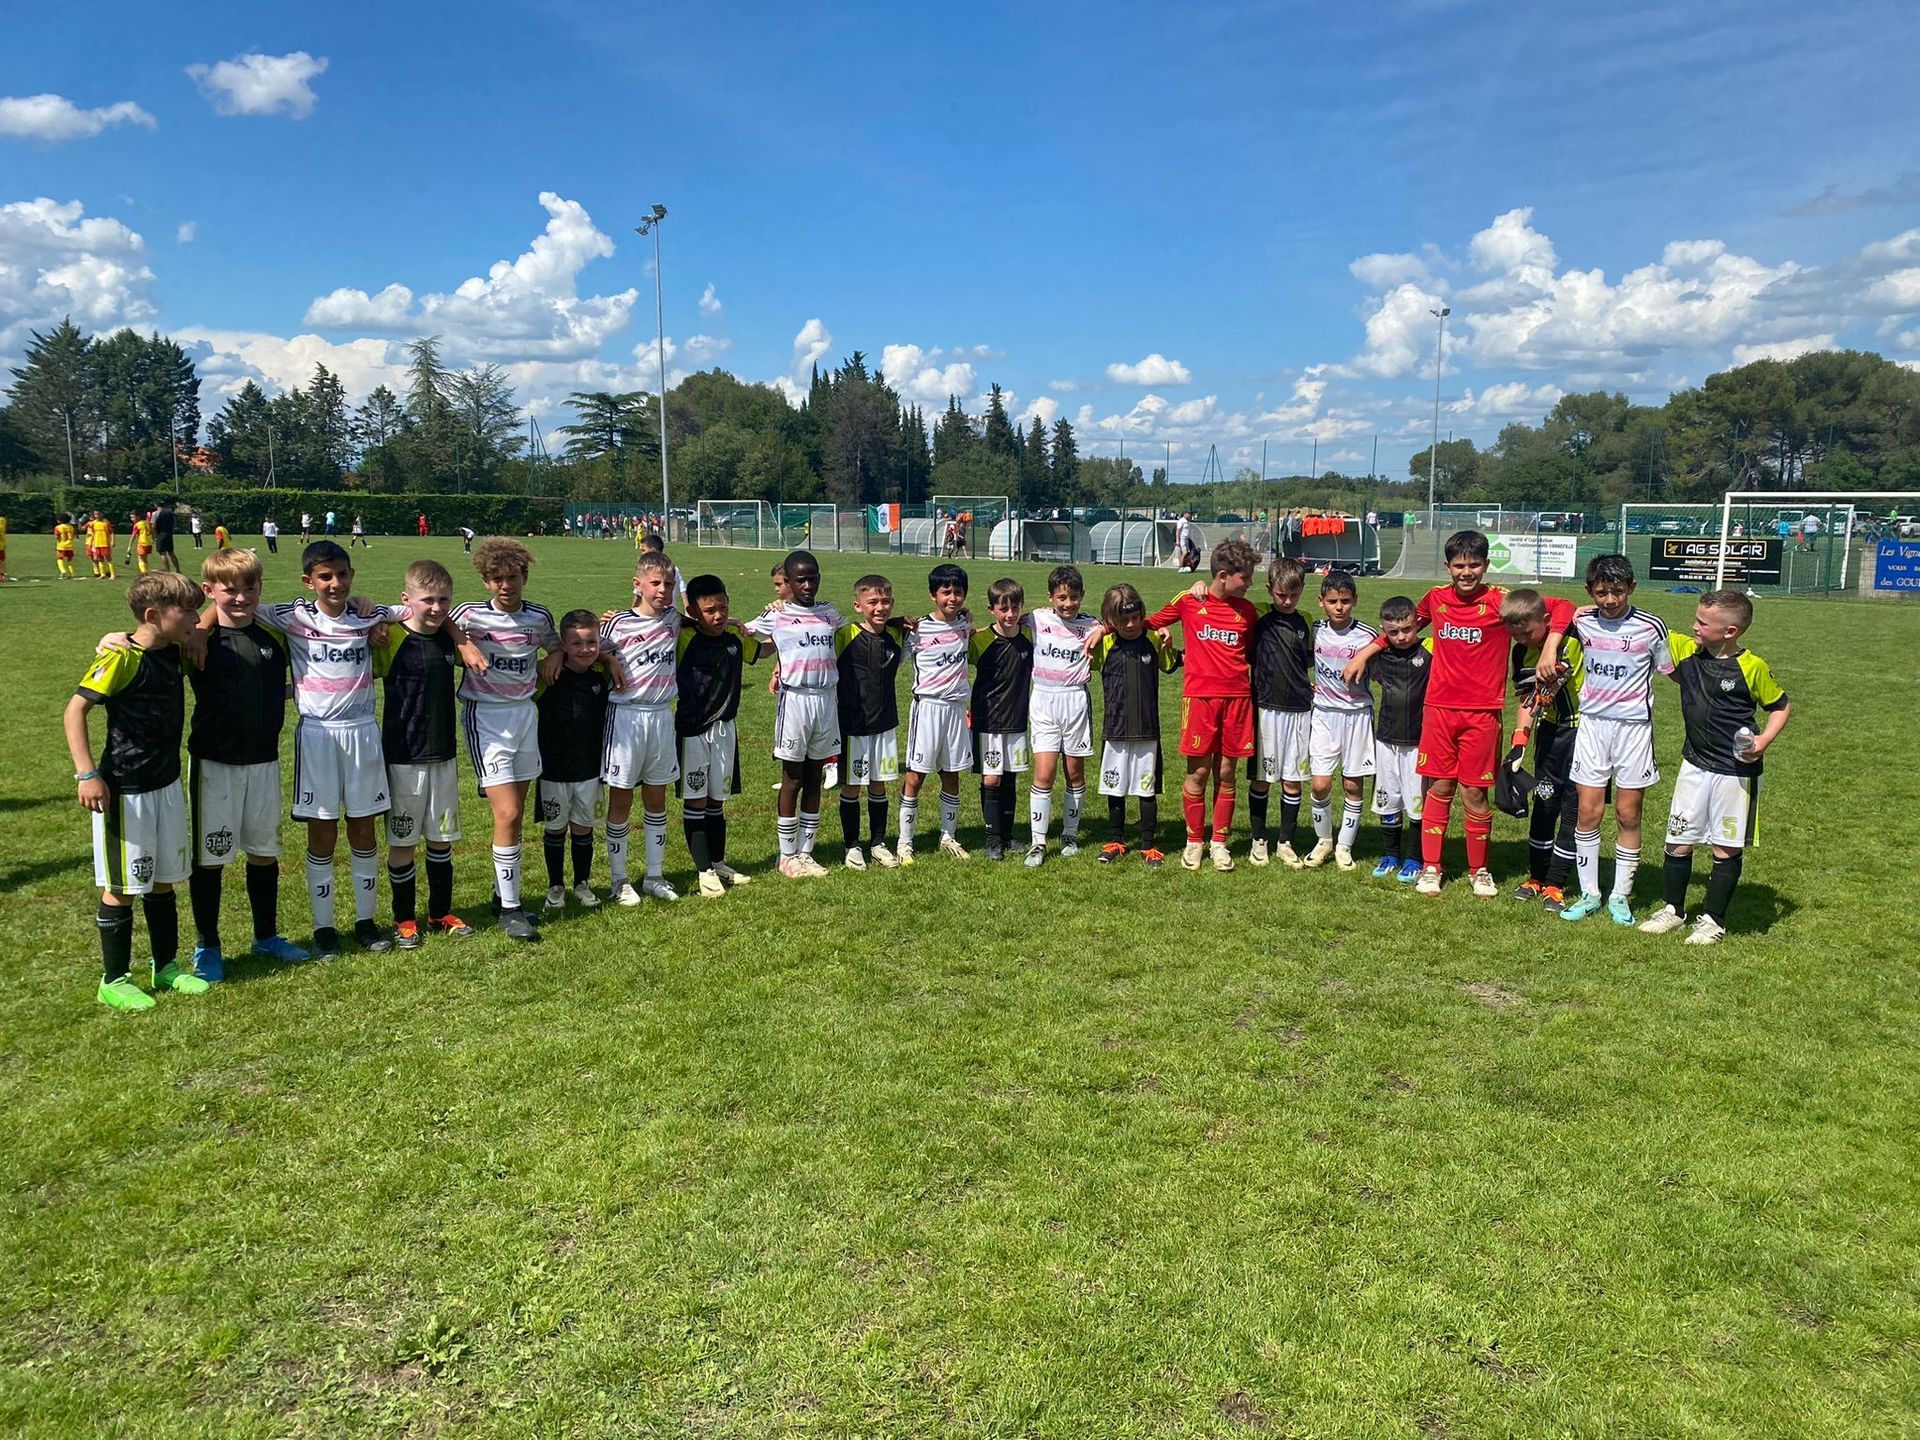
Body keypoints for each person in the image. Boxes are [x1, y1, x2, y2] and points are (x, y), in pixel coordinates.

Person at [1342, 530, 1570, 897]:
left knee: (1474, 794)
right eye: (1459, 565)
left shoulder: (1500, 600)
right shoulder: (1436, 599)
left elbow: (1562, 607)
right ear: (1447, 566)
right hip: (1439, 712)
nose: (1467, 572)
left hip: (1482, 715)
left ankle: (1480, 871)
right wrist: (1365, 653)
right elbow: (1404, 627)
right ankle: (1431, 867)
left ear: (1486, 565)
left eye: (1474, 565)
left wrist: (1550, 648)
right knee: (1439, 788)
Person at [64, 571, 211, 1010]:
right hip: (125, 788)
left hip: (166, 782)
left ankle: (165, 966)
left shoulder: (174, 650)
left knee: (163, 880)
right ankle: (114, 978)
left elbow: (211, 619)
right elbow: (75, 711)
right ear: (152, 615)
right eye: (187, 611)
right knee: (123, 886)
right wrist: (87, 774)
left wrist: (198, 630)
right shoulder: (121, 658)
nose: (195, 618)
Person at [264, 542, 407, 958]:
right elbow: (231, 606)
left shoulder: (366, 616)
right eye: (325, 576)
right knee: (322, 830)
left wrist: (374, 610)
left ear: (352, 575)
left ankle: (365, 922)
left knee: (363, 827)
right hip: (318, 735)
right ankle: (323, 928)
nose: (335, 584)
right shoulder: (294, 616)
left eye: (342, 575)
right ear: (308, 581)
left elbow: (416, 610)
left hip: (362, 732)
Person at [1638, 591, 1790, 945]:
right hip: (1694, 764)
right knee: (1678, 839)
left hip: (1735, 771)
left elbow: (1781, 706)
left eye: (1703, 623)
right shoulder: (1687, 651)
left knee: (1725, 846)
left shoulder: (1752, 667)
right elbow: (1649, 626)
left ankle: (1713, 921)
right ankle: (1673, 911)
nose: (1694, 626)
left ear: (1730, 631)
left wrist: (1763, 741)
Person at [184, 548, 308, 978]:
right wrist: (114, 638)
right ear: (209, 590)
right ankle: (207, 945)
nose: (240, 597)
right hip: (214, 764)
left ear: (260, 588)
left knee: (263, 852)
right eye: (229, 590)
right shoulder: (197, 640)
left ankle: (266, 936)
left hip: (264, 761)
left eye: (249, 588)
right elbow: (147, 640)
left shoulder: (273, 636)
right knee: (210, 858)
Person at [1557, 555, 1674, 925]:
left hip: (1634, 730)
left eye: (1618, 592)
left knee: (1628, 813)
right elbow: (1546, 614)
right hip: (1593, 727)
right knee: (1588, 812)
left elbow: (1670, 670)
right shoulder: (1581, 620)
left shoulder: (1651, 627)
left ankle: (1620, 895)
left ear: (1631, 588)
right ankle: (1590, 893)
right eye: (1602, 592)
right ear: (1590, 591)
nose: (1610, 600)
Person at [452, 538, 559, 939]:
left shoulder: (538, 617)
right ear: (485, 582)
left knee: (517, 812)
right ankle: (512, 911)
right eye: (496, 579)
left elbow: (555, 644)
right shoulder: (469, 615)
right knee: (508, 813)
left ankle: (502, 894)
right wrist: (463, 644)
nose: (505, 585)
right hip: (486, 717)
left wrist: (555, 656)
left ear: (524, 577)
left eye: (512, 577)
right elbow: (436, 619)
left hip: (525, 716)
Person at [376, 560, 474, 948]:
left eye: (443, 600)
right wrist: (379, 622)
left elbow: (461, 636)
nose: (436, 608)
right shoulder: (390, 638)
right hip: (404, 757)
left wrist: (458, 634)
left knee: (441, 839)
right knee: (403, 842)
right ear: (406, 599)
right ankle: (403, 919)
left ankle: (439, 912)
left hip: (443, 754)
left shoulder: (449, 640)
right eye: (427, 600)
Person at [744, 552, 844, 877]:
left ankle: (806, 852)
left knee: (815, 776)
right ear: (787, 582)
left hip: (826, 701)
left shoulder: (830, 613)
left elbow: (861, 632)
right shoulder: (777, 615)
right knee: (793, 778)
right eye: (800, 580)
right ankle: (786, 855)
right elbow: (742, 632)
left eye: (812, 578)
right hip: (796, 702)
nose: (807, 585)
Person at [598, 550, 685, 903]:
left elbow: (705, 614)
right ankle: (619, 880)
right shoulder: (617, 623)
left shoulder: (674, 620)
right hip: (626, 717)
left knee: (656, 798)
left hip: (662, 716)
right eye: (656, 583)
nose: (663, 590)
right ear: (637, 584)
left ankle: (654, 875)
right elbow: (585, 648)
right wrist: (607, 657)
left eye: (669, 583)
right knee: (621, 799)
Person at [1501, 589, 1584, 912]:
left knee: (1574, 808)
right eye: (1515, 634)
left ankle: (1557, 882)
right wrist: (1519, 742)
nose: (1521, 639)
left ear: (1547, 621)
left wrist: (1551, 646)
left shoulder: (1576, 634)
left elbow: (1567, 605)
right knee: (1545, 804)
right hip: (1550, 734)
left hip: (1586, 734)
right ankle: (1536, 877)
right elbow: (1528, 700)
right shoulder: (1521, 653)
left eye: (1527, 632)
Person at [675, 576, 757, 896]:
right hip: (693, 731)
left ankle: (718, 863)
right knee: (696, 801)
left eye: (723, 607)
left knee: (717, 801)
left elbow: (761, 650)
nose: (719, 615)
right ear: (694, 612)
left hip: (725, 730)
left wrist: (779, 621)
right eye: (710, 610)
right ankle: (703, 871)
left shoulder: (734, 638)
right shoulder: (683, 637)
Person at [1091, 583, 1177, 866]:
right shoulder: (1104, 643)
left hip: (1146, 730)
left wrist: (1167, 638)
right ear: (1110, 619)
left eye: (1135, 617)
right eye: (1123, 619)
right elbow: (1083, 659)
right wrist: (1100, 631)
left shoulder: (1153, 639)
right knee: (1114, 788)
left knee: (1146, 789)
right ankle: (1116, 840)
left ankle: (1149, 845)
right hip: (1115, 730)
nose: (1130, 624)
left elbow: (1170, 664)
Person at [534, 610, 613, 910]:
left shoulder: (600, 675)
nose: (585, 649)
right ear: (563, 645)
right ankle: (555, 886)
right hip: (553, 769)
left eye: (592, 642)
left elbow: (616, 651)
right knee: (555, 828)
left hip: (589, 768)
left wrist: (610, 659)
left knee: (583, 828)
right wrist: (553, 656)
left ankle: (582, 883)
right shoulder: (548, 675)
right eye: (576, 643)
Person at [1024, 565, 1101, 866]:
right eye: (1062, 598)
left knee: (1075, 773)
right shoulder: (1037, 618)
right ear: (1050, 598)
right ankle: (1038, 842)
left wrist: (1104, 630)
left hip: (1075, 701)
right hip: (1043, 700)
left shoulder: (1092, 625)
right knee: (1044, 773)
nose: (1068, 604)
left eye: (1074, 597)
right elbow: (1005, 619)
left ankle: (1070, 834)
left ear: (1082, 596)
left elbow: (1120, 622)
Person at [1301, 571, 1378, 871]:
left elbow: (1385, 651)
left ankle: (1344, 846)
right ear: (1321, 601)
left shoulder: (1367, 636)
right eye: (1332, 601)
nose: (1339, 607)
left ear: (1354, 601)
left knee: (1352, 784)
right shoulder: (1315, 630)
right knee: (1320, 784)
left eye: (1345, 601)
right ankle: (1324, 841)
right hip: (1323, 714)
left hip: (1357, 714)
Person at [898, 563, 974, 864]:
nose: (952, 598)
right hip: (928, 708)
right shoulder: (918, 629)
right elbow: (894, 657)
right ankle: (905, 842)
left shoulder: (964, 625)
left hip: (956, 708)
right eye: (946, 592)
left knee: (951, 773)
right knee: (916, 776)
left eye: (958, 592)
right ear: (933, 595)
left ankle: (948, 836)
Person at [834, 574, 907, 870]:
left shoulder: (898, 634)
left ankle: (878, 843)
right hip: (853, 725)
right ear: (857, 605)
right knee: (852, 786)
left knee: (879, 785)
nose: (880, 607)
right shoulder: (844, 634)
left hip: (885, 722)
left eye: (886, 601)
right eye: (873, 602)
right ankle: (852, 845)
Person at [1247, 556, 1313, 868]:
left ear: (1302, 591)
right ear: (1269, 590)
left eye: (1293, 595)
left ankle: (1285, 842)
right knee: (1262, 779)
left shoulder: (1307, 621)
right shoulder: (1257, 614)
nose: (1287, 601)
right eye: (1281, 595)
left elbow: (1312, 660)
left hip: (1299, 710)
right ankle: (1258, 839)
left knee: (1292, 780)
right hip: (1265, 709)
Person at [1364, 595, 1430, 883]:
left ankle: (1415, 858)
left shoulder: (1430, 650)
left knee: (1417, 803)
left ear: (1417, 624)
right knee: (1388, 799)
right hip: (1386, 739)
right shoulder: (1380, 655)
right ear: (1384, 630)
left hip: (1418, 740)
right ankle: (1390, 854)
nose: (1401, 637)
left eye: (1407, 629)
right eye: (1393, 632)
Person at [969, 578, 1035, 861]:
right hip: (989, 721)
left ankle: (1008, 835)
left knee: (1010, 777)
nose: (1010, 614)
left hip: (1017, 719)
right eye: (1003, 609)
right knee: (992, 778)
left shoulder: (1029, 636)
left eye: (1015, 608)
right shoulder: (980, 640)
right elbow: (955, 665)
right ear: (991, 609)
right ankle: (993, 839)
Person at [86, 510, 117, 579]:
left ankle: (113, 574)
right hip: (97, 544)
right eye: (95, 514)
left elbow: (111, 532)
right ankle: (102, 574)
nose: (97, 516)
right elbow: (92, 534)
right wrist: (91, 543)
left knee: (108, 558)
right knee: (100, 559)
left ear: (102, 514)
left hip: (105, 543)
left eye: (98, 514)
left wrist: (113, 541)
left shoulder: (106, 522)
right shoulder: (93, 523)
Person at [152, 500, 178, 572]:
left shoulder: (156, 513)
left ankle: (167, 569)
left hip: (160, 534)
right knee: (171, 552)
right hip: (169, 534)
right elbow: (173, 524)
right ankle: (177, 569)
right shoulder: (170, 513)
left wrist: (154, 535)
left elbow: (153, 525)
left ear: (156, 505)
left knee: (162, 553)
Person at [54, 513, 78, 579]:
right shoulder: (71, 527)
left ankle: (63, 571)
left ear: (60, 520)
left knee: (59, 558)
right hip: (70, 546)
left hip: (61, 546)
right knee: (69, 559)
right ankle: (72, 573)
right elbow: (73, 535)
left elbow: (56, 536)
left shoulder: (58, 527)